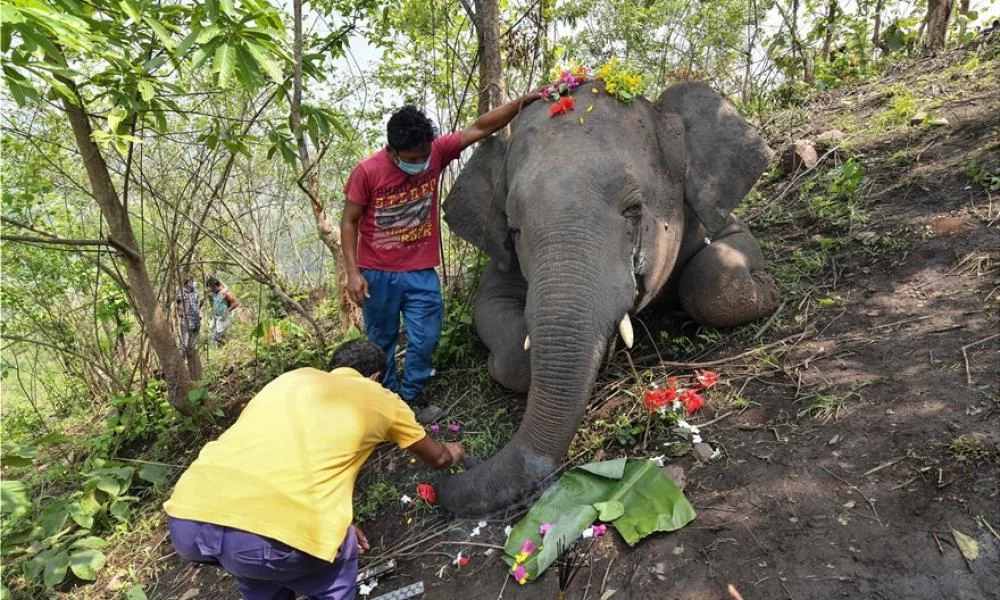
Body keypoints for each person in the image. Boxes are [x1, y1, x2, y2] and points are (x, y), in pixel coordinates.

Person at [164, 340, 466, 600]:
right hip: (266, 535)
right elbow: (438, 459)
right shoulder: (378, 397)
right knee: (333, 564)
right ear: (375, 377)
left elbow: (275, 456)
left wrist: (335, 522)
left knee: (257, 571)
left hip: (189, 517)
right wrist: (454, 451)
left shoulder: (291, 380)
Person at [341, 94, 543, 422]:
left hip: (420, 270)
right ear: (392, 151)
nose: (421, 163)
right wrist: (352, 273)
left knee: (426, 337)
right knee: (382, 340)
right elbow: (349, 222)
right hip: (377, 272)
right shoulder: (367, 172)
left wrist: (528, 99)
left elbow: (480, 127)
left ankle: (412, 395)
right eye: (412, 158)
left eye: (424, 155)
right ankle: (389, 402)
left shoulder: (435, 153)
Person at [176, 275, 202, 380]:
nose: (192, 284)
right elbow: (178, 306)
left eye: (192, 282)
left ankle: (192, 365)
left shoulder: (196, 291)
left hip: (196, 320)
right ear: (186, 283)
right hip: (186, 321)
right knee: (185, 343)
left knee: (193, 344)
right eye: (190, 282)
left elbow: (198, 303)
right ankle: (180, 364)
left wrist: (199, 313)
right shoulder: (181, 293)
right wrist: (181, 313)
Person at [206, 275, 240, 344]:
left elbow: (236, 302)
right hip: (217, 317)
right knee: (214, 336)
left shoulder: (226, 293)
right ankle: (223, 346)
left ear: (215, 286)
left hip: (225, 317)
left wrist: (226, 311)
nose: (210, 290)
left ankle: (228, 345)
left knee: (217, 337)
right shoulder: (215, 293)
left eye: (211, 288)